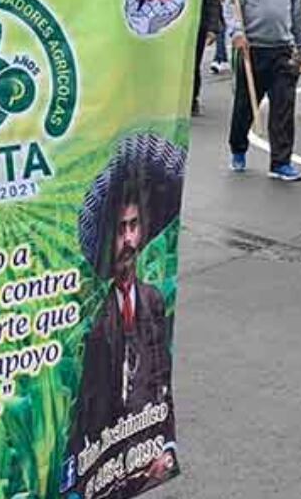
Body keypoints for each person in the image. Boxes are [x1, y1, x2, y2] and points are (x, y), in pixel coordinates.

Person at [70, 134, 184, 495]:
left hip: (146, 449)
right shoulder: (95, 324)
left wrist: (163, 447)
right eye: (121, 230)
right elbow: (89, 412)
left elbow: (159, 379)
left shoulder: (151, 300)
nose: (130, 241)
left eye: (134, 226)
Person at [225, 0, 301, 181]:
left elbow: (297, 16)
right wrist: (236, 32)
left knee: (284, 107)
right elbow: (232, 3)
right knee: (245, 105)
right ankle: (238, 148)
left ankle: (281, 162)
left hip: (282, 50)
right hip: (252, 49)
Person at [171, 0, 224, 117]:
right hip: (174, 28)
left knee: (192, 65)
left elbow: (211, 1)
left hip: (196, 28)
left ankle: (192, 98)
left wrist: (212, 28)